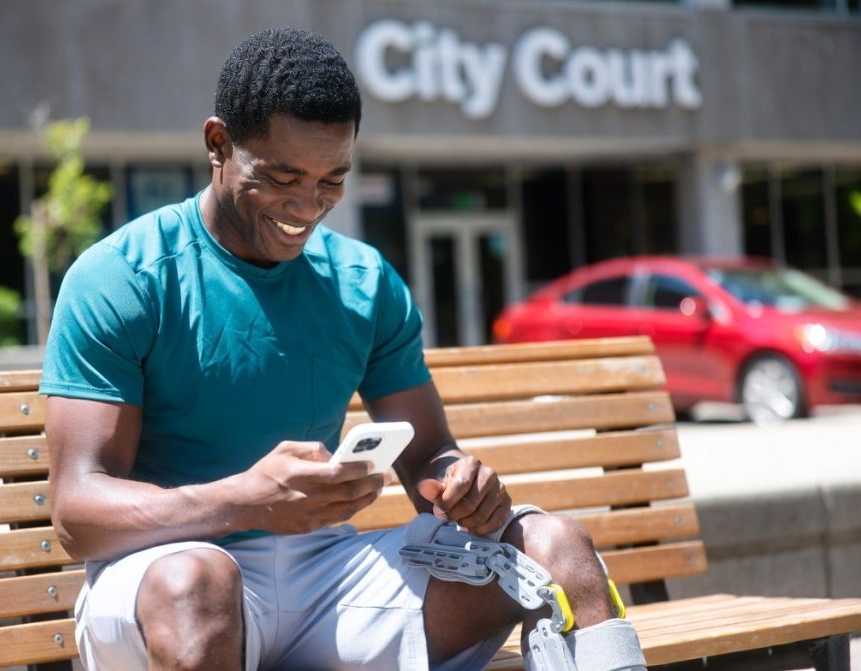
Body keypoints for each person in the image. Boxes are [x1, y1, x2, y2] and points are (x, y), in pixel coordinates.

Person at [41, 27, 646, 671]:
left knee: (561, 551)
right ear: (218, 144)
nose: (307, 207)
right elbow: (77, 513)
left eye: (333, 180)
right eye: (281, 176)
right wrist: (242, 501)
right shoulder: (123, 276)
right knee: (199, 589)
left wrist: (461, 485)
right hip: (165, 572)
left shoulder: (362, 280)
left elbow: (427, 456)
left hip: (325, 575)